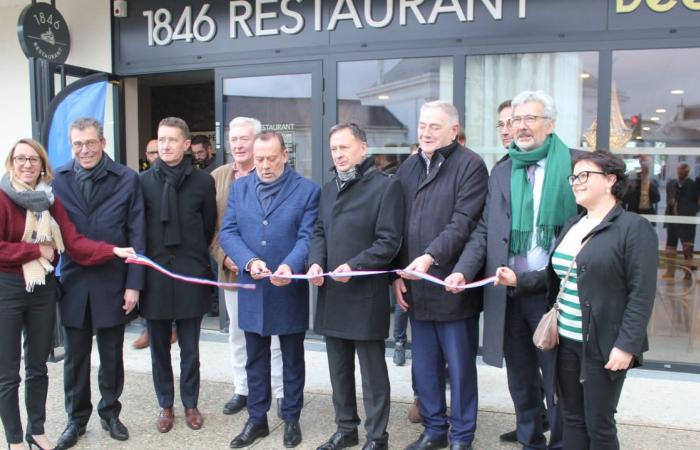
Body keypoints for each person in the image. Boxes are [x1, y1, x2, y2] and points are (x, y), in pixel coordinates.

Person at [495, 150, 657, 450]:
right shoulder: (574, 224)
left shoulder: (633, 228)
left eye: (585, 175)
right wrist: (518, 279)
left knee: (599, 423)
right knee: (571, 418)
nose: (576, 182)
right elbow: (553, 274)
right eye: (574, 177)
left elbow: (642, 294)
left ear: (610, 180)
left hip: (603, 345)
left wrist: (626, 345)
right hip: (564, 341)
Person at [447, 91, 574, 450]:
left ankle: (562, 443)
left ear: (549, 124)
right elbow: (484, 231)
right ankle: (530, 439)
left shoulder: (573, 167)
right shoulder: (503, 171)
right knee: (520, 378)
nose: (521, 127)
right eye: (516, 120)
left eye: (530, 119)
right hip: (510, 293)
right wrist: (462, 271)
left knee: (557, 381)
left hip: (555, 295)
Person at [0, 138, 135, 450]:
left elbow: (74, 242)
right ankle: (15, 440)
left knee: (37, 367)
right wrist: (35, 249)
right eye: (20, 159)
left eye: (33, 159)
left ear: (43, 165)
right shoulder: (4, 197)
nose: (27, 165)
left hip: (43, 290)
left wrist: (112, 250)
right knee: (8, 372)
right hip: (9, 288)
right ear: (11, 162)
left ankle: (36, 431)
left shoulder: (50, 200)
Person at [394, 101, 488, 450]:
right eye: (422, 125)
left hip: (452, 286)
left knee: (460, 369)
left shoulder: (471, 165)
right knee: (425, 367)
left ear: (453, 130)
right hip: (415, 288)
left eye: (434, 126)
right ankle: (434, 430)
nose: (426, 132)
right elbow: (397, 227)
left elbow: (463, 222)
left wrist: (430, 258)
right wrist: (397, 275)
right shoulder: (408, 167)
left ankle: (462, 436)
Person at [220, 131, 320, 448]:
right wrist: (248, 261)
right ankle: (257, 420)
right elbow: (229, 232)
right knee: (255, 359)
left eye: (271, 158)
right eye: (259, 158)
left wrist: (290, 265)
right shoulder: (239, 188)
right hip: (253, 284)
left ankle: (291, 418)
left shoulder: (307, 191)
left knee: (292, 357)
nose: (264, 165)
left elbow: (307, 237)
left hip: (288, 286)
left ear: (285, 156)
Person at [308, 123, 404, 450]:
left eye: (344, 148)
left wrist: (356, 265)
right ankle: (346, 429)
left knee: (372, 375)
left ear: (363, 148)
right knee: (339, 370)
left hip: (364, 294)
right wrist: (316, 263)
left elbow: (389, 241)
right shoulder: (328, 188)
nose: (338, 154)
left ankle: (378, 438)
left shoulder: (385, 187)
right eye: (334, 149)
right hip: (332, 293)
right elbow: (319, 232)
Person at [52, 118, 146, 449]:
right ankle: (76, 420)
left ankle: (110, 413)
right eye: (77, 144)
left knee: (111, 354)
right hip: (74, 282)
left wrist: (134, 285)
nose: (84, 150)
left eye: (90, 143)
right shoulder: (57, 180)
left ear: (103, 142)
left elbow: (138, 234)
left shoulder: (126, 178)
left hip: (114, 281)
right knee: (75, 357)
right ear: (70, 145)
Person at [139, 117, 217, 433]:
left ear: (186, 145)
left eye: (173, 140)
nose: (166, 145)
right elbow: (137, 228)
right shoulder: (142, 181)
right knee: (159, 348)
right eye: (162, 140)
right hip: (155, 275)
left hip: (189, 274)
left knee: (190, 349)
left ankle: (190, 403)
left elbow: (208, 224)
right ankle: (165, 405)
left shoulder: (203, 183)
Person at [210, 117, 286, 418]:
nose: (238, 144)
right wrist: (226, 257)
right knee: (238, 333)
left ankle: (280, 392)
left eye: (244, 139)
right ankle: (244, 389)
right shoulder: (216, 177)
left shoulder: (272, 174)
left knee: (276, 336)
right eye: (234, 139)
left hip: (271, 274)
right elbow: (212, 229)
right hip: (233, 273)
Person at [133, 138, 176, 350]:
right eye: (151, 153)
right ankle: (147, 329)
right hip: (150, 252)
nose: (155, 156)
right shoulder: (140, 182)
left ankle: (174, 327)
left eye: (157, 151)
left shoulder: (197, 181)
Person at [663, 163, 699, 281]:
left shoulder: (693, 185)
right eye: (679, 169)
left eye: (683, 169)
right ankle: (670, 271)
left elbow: (696, 202)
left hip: (686, 220)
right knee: (670, 247)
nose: (680, 171)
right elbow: (668, 199)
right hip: (673, 219)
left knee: (687, 248)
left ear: (687, 171)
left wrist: (690, 212)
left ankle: (687, 273)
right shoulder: (671, 184)